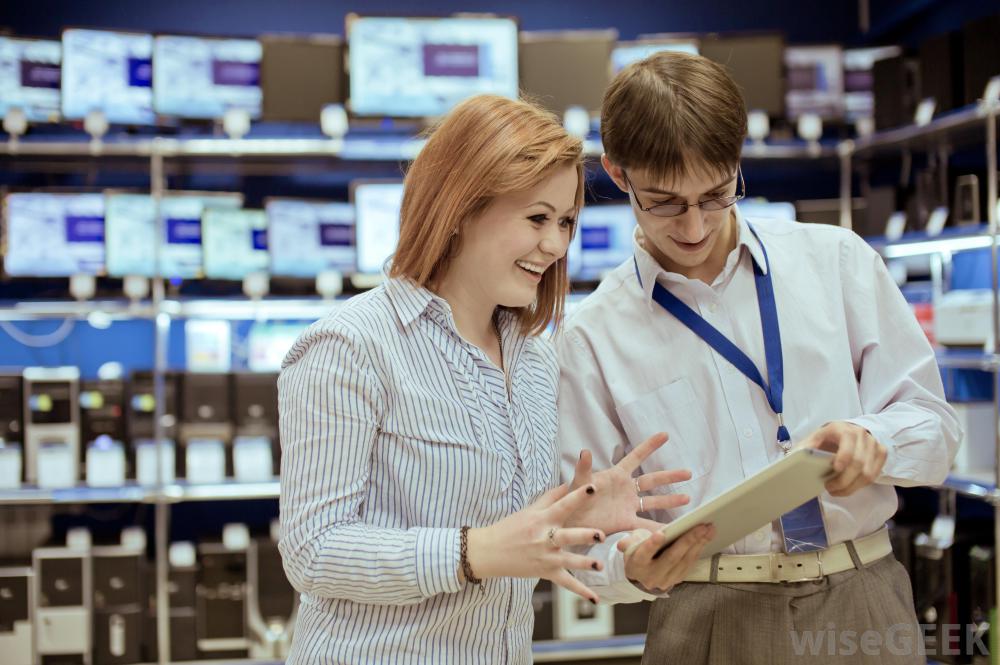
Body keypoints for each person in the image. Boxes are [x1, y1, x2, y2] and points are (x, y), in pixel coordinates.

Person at [557, 51, 962, 664]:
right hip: (707, 617)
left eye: (717, 194)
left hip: (864, 598)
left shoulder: (838, 262)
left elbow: (938, 432)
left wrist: (875, 439)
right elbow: (583, 538)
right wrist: (629, 564)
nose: (694, 226)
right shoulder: (590, 336)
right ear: (617, 173)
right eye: (665, 202)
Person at [276, 94, 698, 665]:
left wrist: (583, 528)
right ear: (461, 207)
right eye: (537, 218)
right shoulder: (350, 346)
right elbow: (313, 550)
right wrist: (474, 552)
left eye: (567, 221)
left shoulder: (537, 361)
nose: (555, 244)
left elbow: (529, 541)